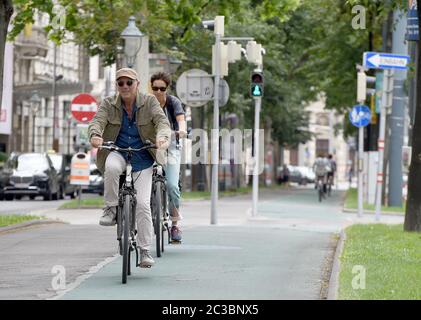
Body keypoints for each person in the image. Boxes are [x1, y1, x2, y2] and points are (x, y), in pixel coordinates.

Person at [88, 68, 171, 268]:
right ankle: (110, 208)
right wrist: (95, 135)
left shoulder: (149, 102)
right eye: (120, 83)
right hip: (118, 152)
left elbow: (162, 121)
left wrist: (162, 138)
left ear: (137, 84)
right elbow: (97, 121)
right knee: (111, 166)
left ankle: (144, 251)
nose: (124, 86)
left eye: (129, 82)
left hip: (143, 157)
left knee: (143, 205)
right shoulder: (109, 103)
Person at [150, 72, 187, 242]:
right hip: (150, 147)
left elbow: (180, 119)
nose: (158, 91)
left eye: (162, 88)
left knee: (172, 186)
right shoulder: (146, 104)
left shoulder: (173, 102)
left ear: (167, 88)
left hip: (171, 146)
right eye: (155, 88)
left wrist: (182, 129)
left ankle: (174, 225)